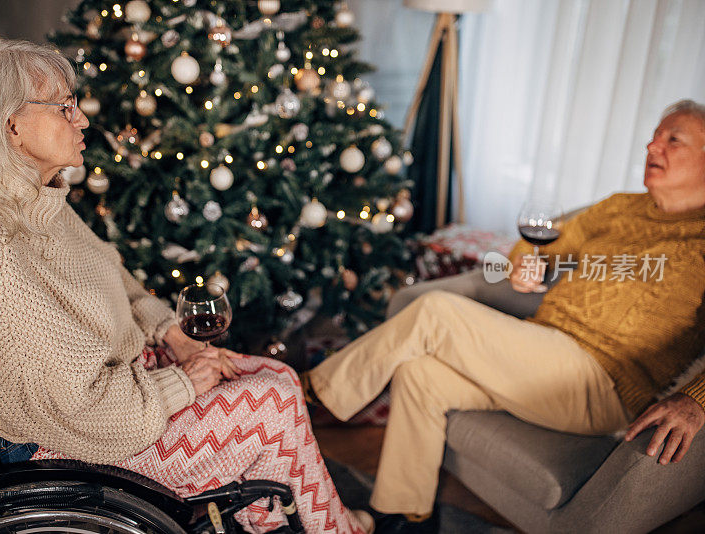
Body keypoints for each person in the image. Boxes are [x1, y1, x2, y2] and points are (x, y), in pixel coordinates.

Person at [0, 40, 372, 534]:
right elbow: (80, 405)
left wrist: (169, 333)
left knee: (273, 373)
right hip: (78, 440)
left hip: (127, 389)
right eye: (64, 107)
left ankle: (283, 521)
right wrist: (185, 382)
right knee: (273, 399)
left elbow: (118, 281)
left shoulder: (37, 203)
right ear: (10, 125)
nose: (81, 119)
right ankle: (327, 527)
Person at [302, 99, 705, 533]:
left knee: (437, 311)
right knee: (420, 375)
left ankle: (313, 393)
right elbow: (539, 244)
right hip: (542, 348)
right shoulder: (619, 207)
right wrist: (526, 260)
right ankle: (404, 515)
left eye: (672, 139)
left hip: (603, 381)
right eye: (655, 134)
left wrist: (696, 399)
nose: (652, 144)